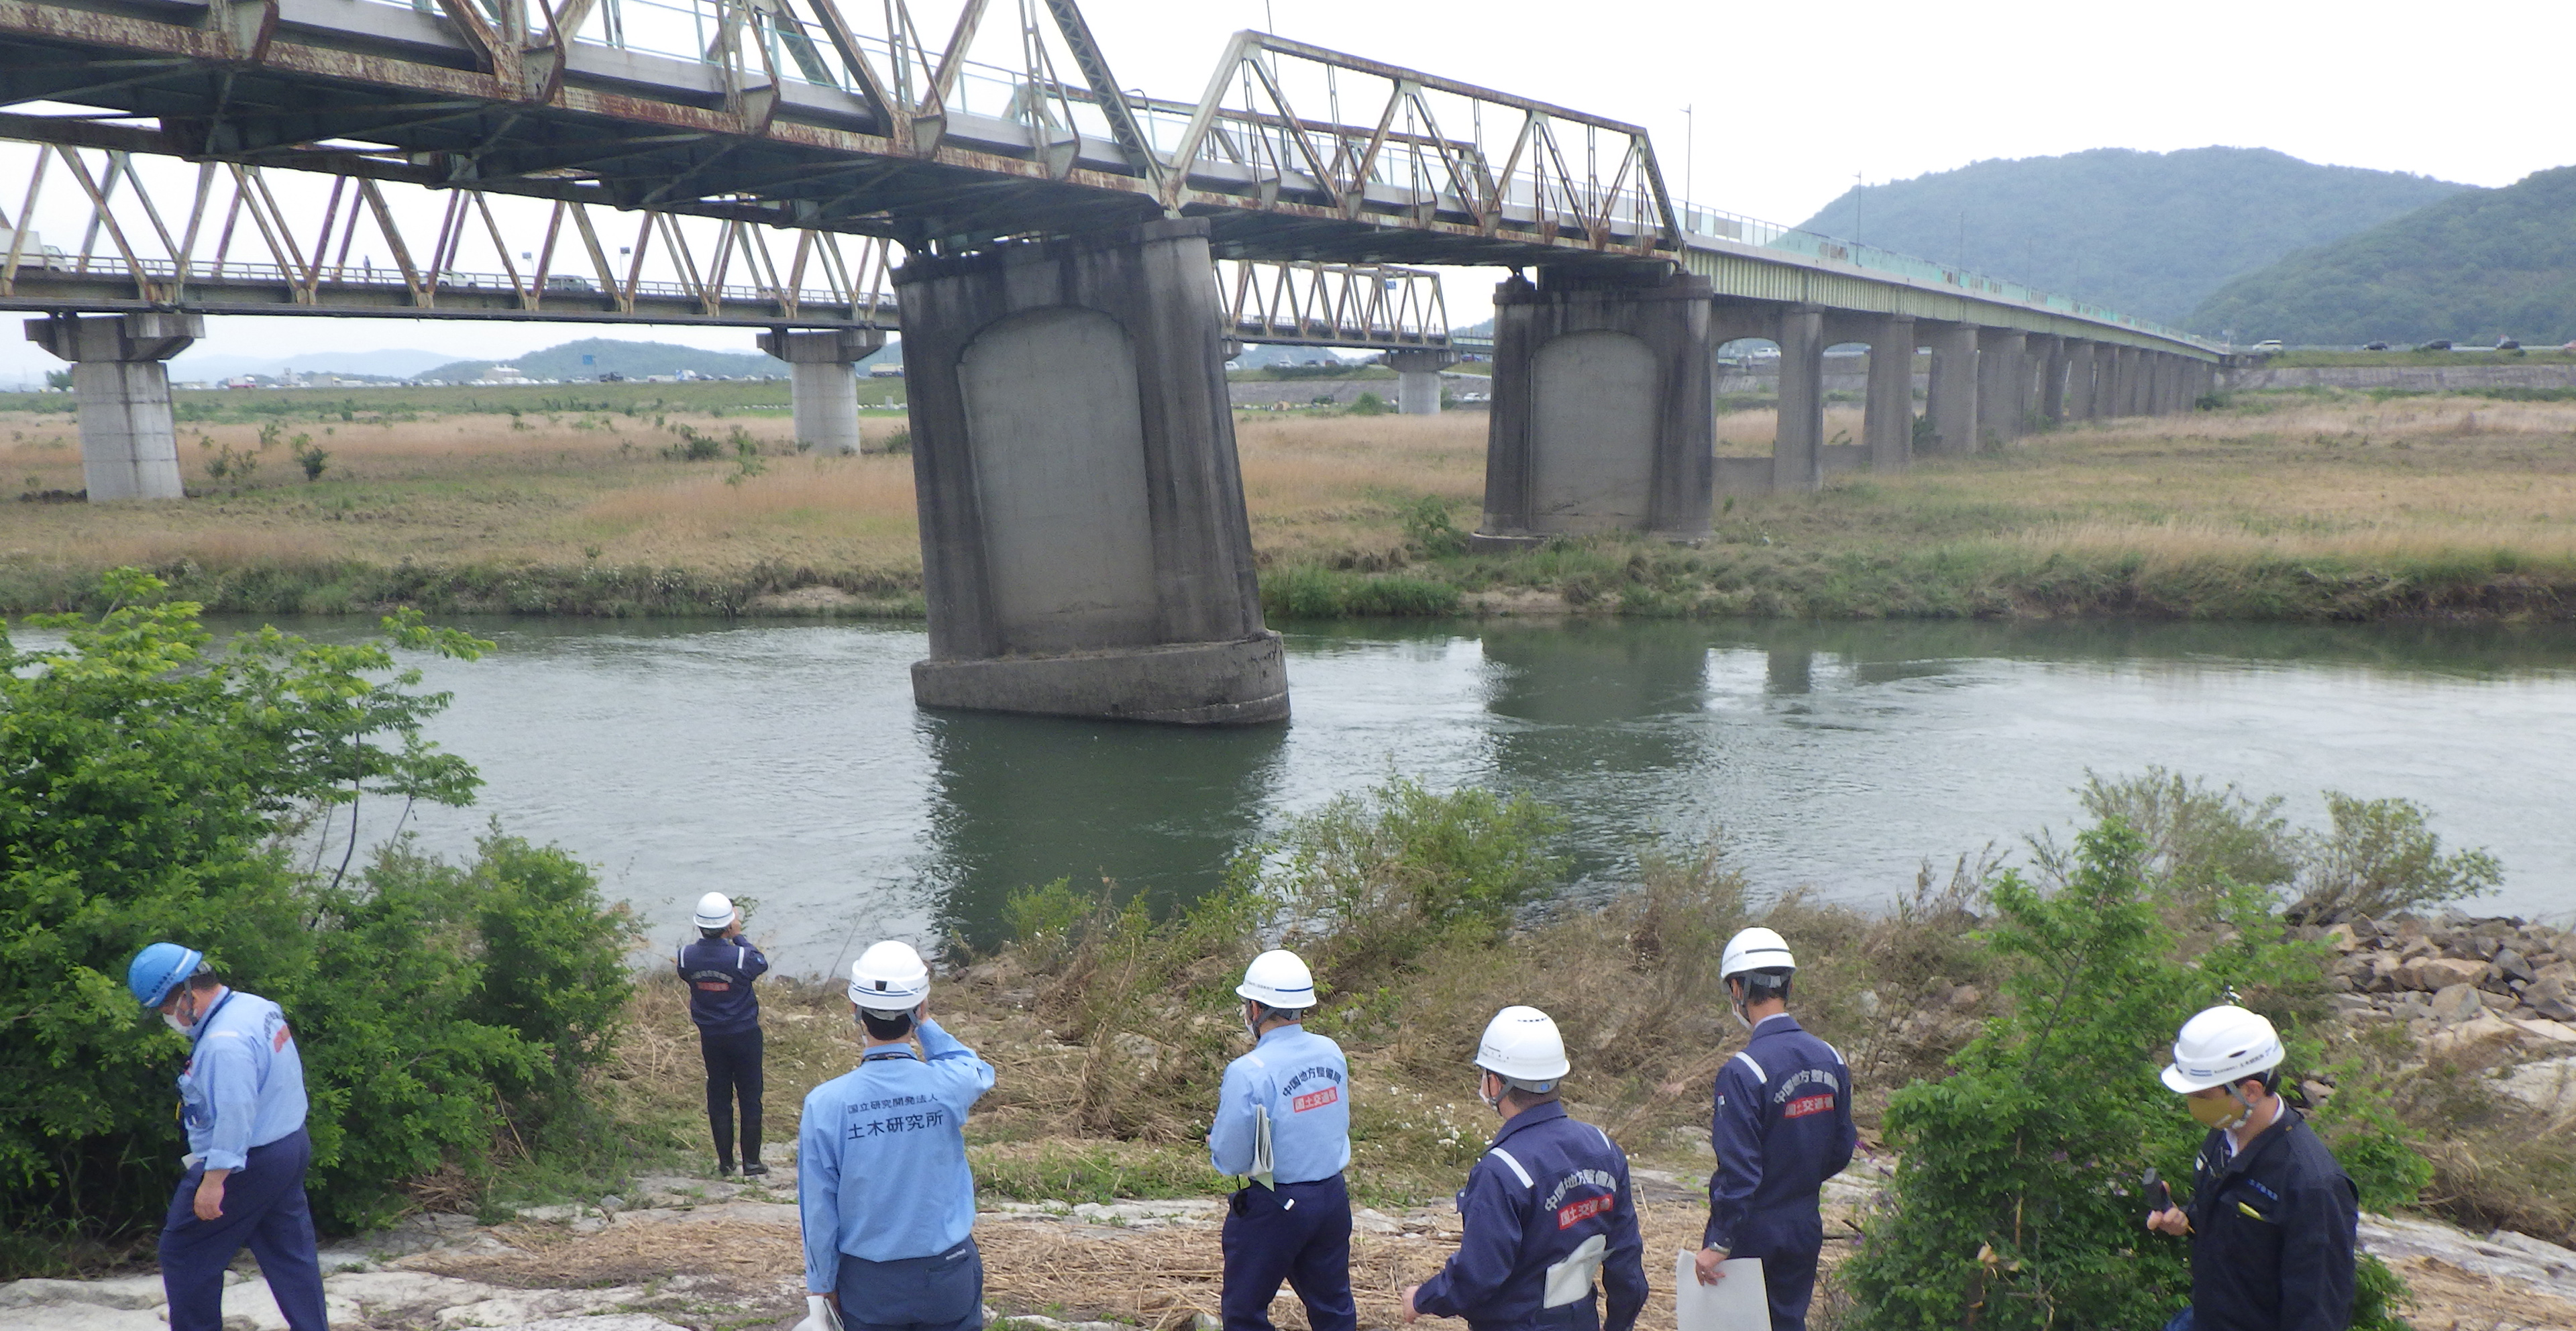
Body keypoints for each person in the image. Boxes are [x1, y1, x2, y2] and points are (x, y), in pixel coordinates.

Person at [1403, 1006, 1645, 1331]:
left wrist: (1423, 1298)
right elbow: (1626, 1264)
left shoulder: (1502, 1171)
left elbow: (1479, 1276)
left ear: (1495, 1083)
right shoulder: (1604, 1149)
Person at [125, 943, 329, 1331]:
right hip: (289, 1143)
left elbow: (236, 1114)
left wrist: (213, 1180)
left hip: (246, 1160)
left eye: (167, 1010)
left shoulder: (224, 1043)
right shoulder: (256, 1007)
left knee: (185, 1251)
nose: (169, 1018)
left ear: (189, 996)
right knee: (290, 1255)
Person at [798, 940, 996, 1331]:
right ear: (921, 1010)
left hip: (868, 1282)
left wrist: (822, 1284)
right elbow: (972, 1067)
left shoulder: (825, 1104)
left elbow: (819, 1209)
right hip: (947, 1273)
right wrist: (924, 1021)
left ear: (854, 1011)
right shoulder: (949, 1085)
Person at [2147, 1004, 2359, 1331]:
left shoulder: (2313, 1185)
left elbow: (2318, 1311)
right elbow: (2231, 1221)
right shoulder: (2223, 1135)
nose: (2194, 1104)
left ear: (2250, 1090)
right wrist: (2187, 1221)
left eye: (2203, 1094)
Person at [1693, 927, 1858, 1331]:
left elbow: (1740, 1172)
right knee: (1788, 1320)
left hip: (1753, 1229)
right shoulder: (1830, 1057)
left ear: (1738, 988)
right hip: (1805, 1220)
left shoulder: (1743, 1071)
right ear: (1789, 984)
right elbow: (1842, 1145)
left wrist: (1719, 1243)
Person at [1208, 949, 1356, 1331]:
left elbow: (1231, 1158)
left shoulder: (1248, 1071)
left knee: (1245, 1312)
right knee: (1334, 1307)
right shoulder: (1331, 1051)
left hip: (1276, 1203)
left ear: (1254, 1009)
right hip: (1332, 1197)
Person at [678, 892, 771, 1176]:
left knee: (719, 1095)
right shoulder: (741, 956)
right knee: (750, 1095)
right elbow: (760, 964)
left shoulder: (686, 956)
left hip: (711, 1036)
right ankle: (752, 1162)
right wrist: (739, 936)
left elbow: (687, 974)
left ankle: (725, 1162)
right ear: (729, 924)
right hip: (744, 1033)